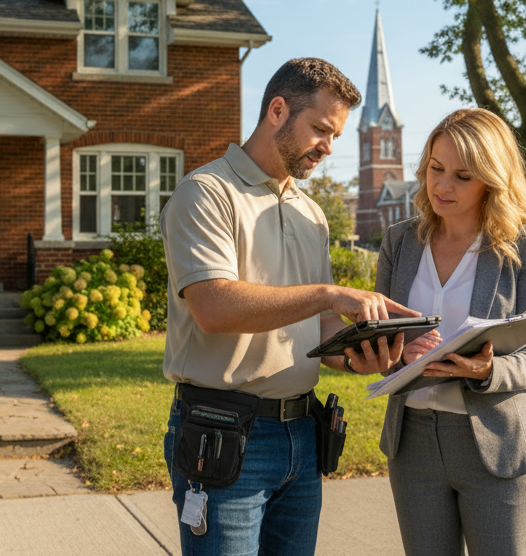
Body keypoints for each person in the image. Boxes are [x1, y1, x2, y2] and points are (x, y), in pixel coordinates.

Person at [160, 57, 415, 556]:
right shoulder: (206, 193)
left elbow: (318, 327)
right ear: (277, 110)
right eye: (321, 129)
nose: (328, 147)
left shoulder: (311, 213)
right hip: (224, 431)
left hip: (303, 433)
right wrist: (329, 294)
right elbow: (213, 306)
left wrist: (358, 354)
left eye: (336, 136)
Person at [376, 107, 526, 556]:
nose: (441, 186)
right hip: (412, 444)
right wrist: (388, 352)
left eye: (463, 176)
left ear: (492, 180)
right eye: (436, 169)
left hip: (496, 444)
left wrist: (488, 370)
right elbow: (380, 337)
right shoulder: (399, 242)